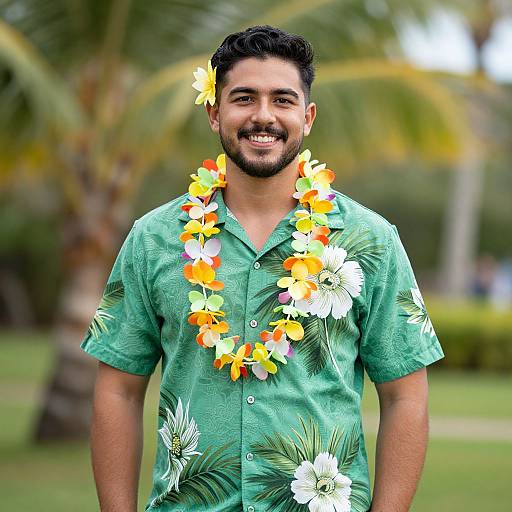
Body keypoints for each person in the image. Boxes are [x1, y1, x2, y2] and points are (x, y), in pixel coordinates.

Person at [81, 25, 444, 512]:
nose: (263, 116)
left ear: (308, 116)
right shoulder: (153, 239)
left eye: (283, 100)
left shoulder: (370, 240)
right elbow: (119, 391)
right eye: (244, 98)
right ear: (214, 112)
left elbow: (405, 398)